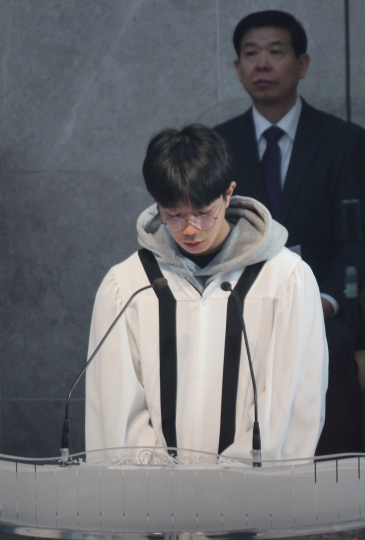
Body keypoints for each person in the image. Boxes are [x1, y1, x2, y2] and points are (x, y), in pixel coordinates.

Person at [85, 124, 327, 461]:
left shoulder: (284, 279)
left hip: (253, 489)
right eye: (174, 216)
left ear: (228, 193)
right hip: (155, 490)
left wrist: (228, 481)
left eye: (203, 214)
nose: (190, 230)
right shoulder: (127, 285)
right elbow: (116, 410)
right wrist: (163, 482)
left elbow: (292, 402)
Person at [214, 10, 365, 455]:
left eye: (275, 52)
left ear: (302, 64)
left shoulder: (343, 140)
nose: (262, 64)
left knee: (332, 346)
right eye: (251, 54)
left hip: (321, 309)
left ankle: (335, 480)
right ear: (238, 68)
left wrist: (323, 301)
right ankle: (230, 478)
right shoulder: (218, 145)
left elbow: (357, 239)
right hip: (241, 302)